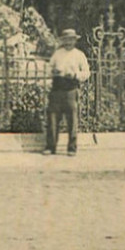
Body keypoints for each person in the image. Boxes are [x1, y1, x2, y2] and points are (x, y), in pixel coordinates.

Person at [44, 28, 90, 156]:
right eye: (66, 40)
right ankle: (50, 147)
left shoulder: (79, 55)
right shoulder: (57, 54)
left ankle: (72, 148)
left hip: (71, 89)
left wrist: (75, 75)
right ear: (63, 41)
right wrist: (53, 72)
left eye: (71, 39)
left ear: (75, 40)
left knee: (72, 120)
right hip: (56, 89)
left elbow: (86, 73)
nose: (69, 42)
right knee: (53, 119)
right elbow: (48, 69)